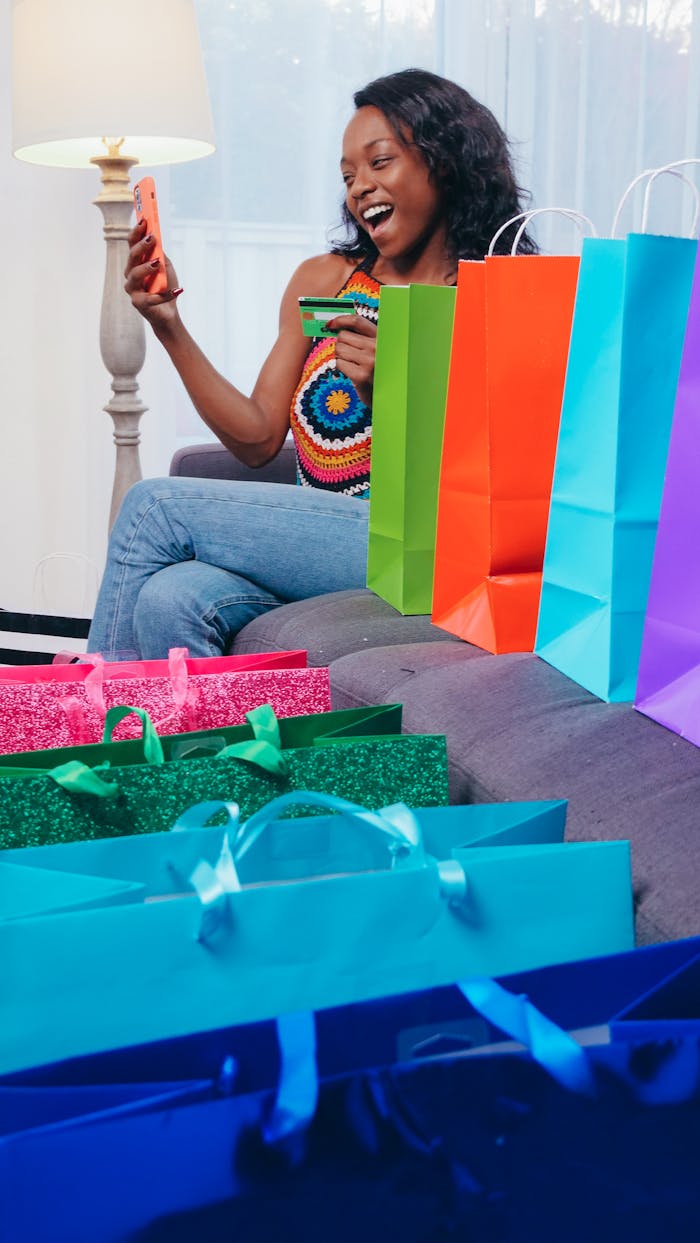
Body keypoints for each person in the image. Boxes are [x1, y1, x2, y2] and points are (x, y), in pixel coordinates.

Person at [88, 67, 534, 660]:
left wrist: (396, 384)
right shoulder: (328, 279)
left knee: (155, 505)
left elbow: (507, 475)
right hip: (316, 540)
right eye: (349, 175)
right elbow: (256, 439)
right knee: (170, 596)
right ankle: (208, 756)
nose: (359, 187)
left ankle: (81, 738)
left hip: (427, 548)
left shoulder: (497, 297)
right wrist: (167, 325)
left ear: (443, 161)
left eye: (380, 163)